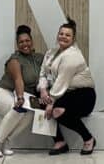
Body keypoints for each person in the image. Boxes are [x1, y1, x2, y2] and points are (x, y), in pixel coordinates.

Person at [38, 18, 97, 156]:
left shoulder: (73, 55)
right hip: (63, 92)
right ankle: (60, 142)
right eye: (61, 33)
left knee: (56, 110)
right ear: (57, 35)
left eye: (67, 35)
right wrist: (42, 90)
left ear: (73, 38)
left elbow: (61, 81)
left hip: (83, 95)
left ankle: (88, 139)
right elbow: (43, 74)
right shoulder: (50, 52)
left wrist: (50, 101)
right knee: (40, 103)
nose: (63, 37)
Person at [0, 25, 44, 157]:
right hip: (2, 93)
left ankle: (7, 141)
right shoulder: (15, 60)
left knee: (30, 114)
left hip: (22, 95)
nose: (25, 44)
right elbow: (19, 80)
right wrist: (20, 98)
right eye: (21, 42)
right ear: (17, 44)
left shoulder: (38, 58)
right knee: (18, 109)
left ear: (32, 41)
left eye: (27, 41)